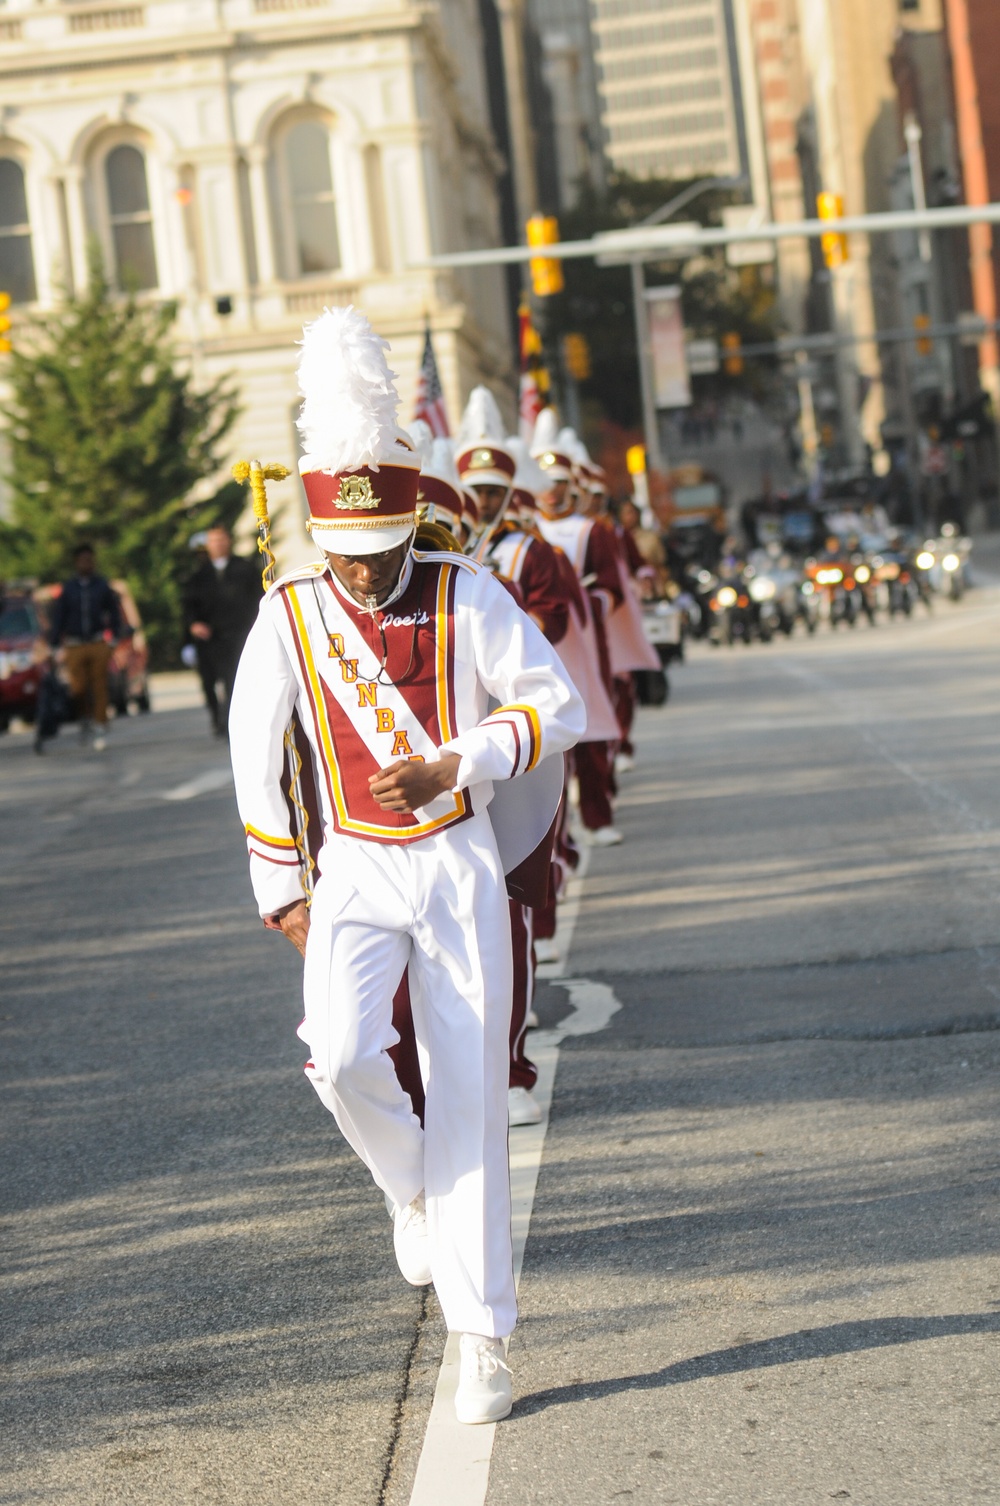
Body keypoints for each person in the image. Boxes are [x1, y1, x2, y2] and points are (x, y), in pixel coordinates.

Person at [228, 309, 585, 1426]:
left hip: (458, 864)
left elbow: (555, 704)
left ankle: (482, 1338)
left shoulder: (466, 592)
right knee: (337, 1059)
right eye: (350, 559)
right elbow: (252, 740)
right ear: (321, 540)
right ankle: (410, 1188)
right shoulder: (291, 611)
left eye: (385, 556)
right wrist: (279, 879)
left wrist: (461, 760)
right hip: (352, 871)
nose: (370, 578)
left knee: (473, 1092)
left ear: (408, 527)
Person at [184, 525, 261, 736]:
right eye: (213, 541)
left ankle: (230, 721)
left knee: (232, 679)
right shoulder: (199, 575)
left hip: (238, 634)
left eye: (221, 539)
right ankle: (216, 717)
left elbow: (258, 599)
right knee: (208, 681)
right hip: (209, 638)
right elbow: (189, 606)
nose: (217, 544)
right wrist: (193, 625)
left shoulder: (245, 569)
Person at [48, 543, 125, 751]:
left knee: (100, 685)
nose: (86, 564)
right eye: (82, 560)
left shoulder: (101, 585)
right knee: (78, 687)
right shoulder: (69, 588)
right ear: (76, 562)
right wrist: (55, 643)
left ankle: (100, 724)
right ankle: (83, 718)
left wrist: (115, 636)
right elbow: (59, 617)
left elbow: (114, 612)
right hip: (74, 643)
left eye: (89, 560)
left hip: (97, 641)